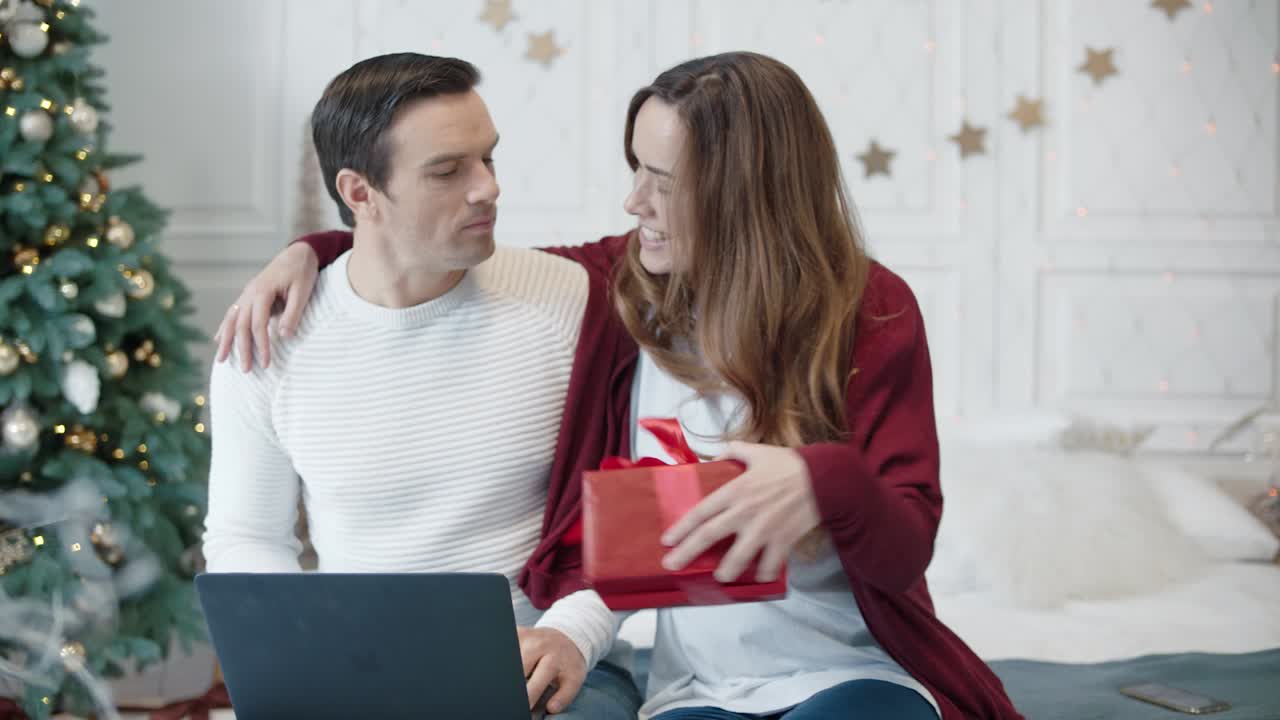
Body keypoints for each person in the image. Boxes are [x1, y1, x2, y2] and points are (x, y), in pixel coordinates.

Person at [217, 52, 1023, 719]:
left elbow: (906, 538)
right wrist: (314, 252)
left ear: (745, 188)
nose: (636, 200)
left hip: (832, 666)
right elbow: (403, 257)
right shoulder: (630, 285)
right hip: (688, 685)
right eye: (637, 169)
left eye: (662, 179)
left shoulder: (854, 308)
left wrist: (822, 480)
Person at [202, 53, 641, 719]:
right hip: (357, 672)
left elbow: (638, 504)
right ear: (359, 193)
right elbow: (247, 534)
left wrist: (573, 632)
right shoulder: (267, 340)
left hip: (542, 670)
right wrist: (302, 658)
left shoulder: (573, 301)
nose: (487, 188)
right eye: (448, 171)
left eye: (488, 158)